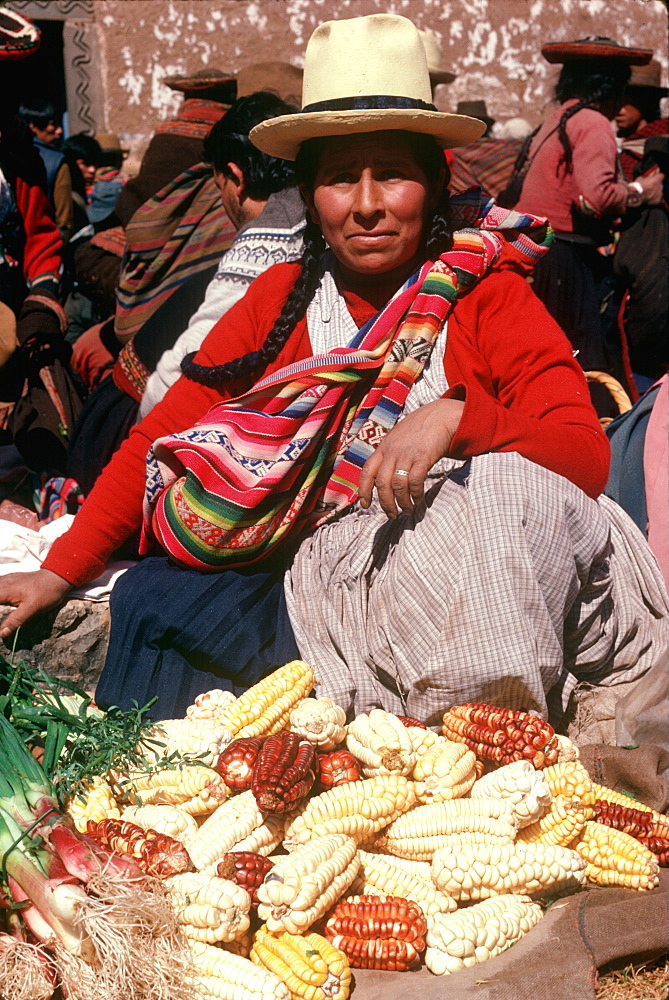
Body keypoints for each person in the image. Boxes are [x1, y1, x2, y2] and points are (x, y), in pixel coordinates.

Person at [0, 14, 665, 730]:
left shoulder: (488, 296)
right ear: (312, 197)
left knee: (500, 487)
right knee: (165, 609)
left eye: (393, 175)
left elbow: (585, 460)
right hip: (341, 602)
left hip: (491, 603)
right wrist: (60, 569)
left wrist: (459, 420)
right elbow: (158, 439)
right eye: (342, 179)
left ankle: (483, 722)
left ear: (434, 186)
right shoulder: (279, 299)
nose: (368, 204)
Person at [66, 92, 300, 494]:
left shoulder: (260, 251)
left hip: (131, 430)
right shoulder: (303, 226)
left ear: (236, 178)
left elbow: (174, 385)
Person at [514, 37, 665, 410]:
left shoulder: (558, 119)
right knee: (585, 358)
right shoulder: (594, 123)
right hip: (566, 256)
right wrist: (641, 190)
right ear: (611, 88)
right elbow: (597, 197)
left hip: (540, 249)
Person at [616, 59, 668, 181]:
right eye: (617, 99)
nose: (618, 108)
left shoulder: (662, 145)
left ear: (646, 101)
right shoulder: (620, 146)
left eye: (627, 99)